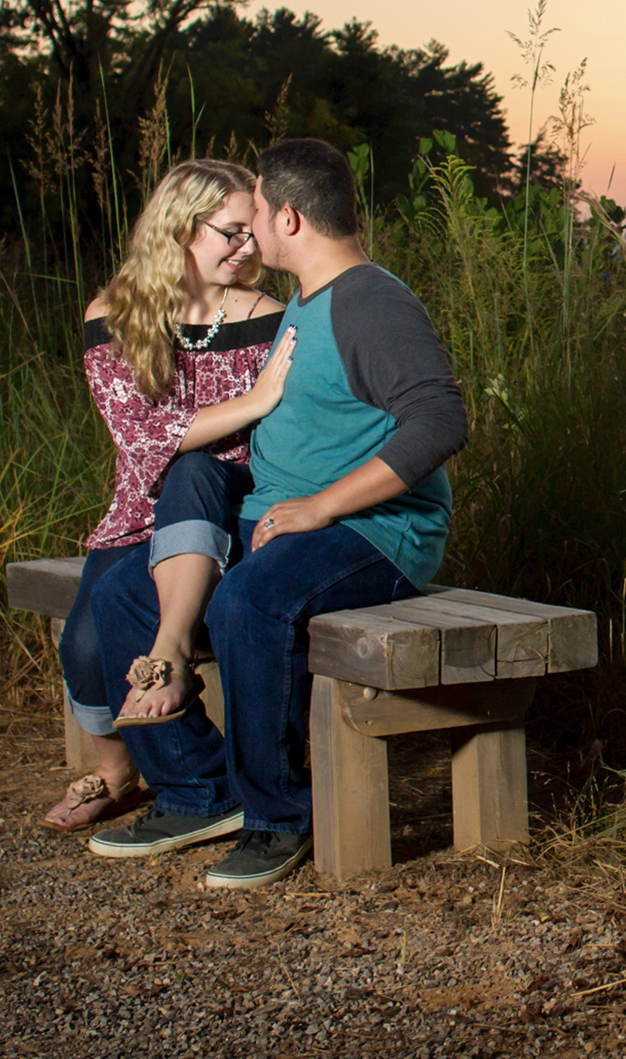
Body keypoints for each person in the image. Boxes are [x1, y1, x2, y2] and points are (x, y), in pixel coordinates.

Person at [88, 138, 467, 889]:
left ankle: (277, 816)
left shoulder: (369, 300)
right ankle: (200, 790)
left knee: (249, 601)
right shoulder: (309, 296)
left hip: (375, 533)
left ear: (289, 218)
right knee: (123, 593)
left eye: (255, 210)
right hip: (283, 515)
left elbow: (440, 421)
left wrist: (320, 507)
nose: (248, 226)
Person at [41, 159, 298, 831]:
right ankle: (118, 771)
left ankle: (202, 771)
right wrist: (254, 399)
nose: (249, 249)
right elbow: (140, 437)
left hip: (234, 513)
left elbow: (287, 430)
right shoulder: (115, 314)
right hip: (141, 515)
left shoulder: (268, 316)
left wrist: (262, 408)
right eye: (231, 233)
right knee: (87, 646)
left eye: (254, 232)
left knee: (198, 471)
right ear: (181, 228)